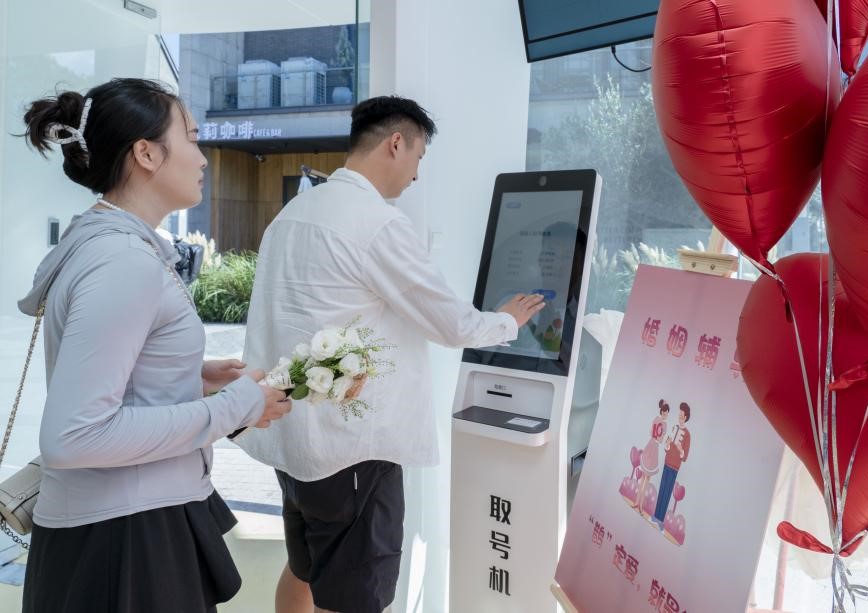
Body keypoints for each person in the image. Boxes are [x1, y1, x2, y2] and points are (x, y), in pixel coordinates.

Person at [237, 95, 545, 613]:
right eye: (419, 157)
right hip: (351, 450)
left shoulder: (293, 213)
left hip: (290, 438)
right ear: (396, 144)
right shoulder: (376, 223)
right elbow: (449, 321)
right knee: (354, 596)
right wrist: (506, 321)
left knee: (305, 569)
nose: (417, 174)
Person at [18, 78, 292, 613]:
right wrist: (236, 405)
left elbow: (117, 380)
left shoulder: (116, 249)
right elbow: (75, 436)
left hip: (123, 523)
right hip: (123, 538)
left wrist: (188, 374)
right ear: (146, 153)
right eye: (191, 137)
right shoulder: (122, 261)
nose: (203, 157)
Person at [653, 402, 692, 530]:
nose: (679, 417)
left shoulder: (687, 434)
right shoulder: (674, 427)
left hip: (674, 467)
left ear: (685, 417)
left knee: (667, 492)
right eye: (679, 415)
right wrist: (668, 444)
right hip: (667, 462)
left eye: (681, 415)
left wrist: (680, 450)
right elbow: (667, 448)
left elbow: (685, 457)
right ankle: (655, 516)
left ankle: (660, 520)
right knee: (662, 488)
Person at [635, 399, 669, 513]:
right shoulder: (664, 424)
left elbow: (651, 432)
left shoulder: (655, 419)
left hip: (650, 445)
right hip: (654, 447)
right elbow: (660, 439)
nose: (666, 415)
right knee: (647, 478)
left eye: (667, 413)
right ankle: (639, 504)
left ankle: (637, 502)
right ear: (663, 412)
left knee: (644, 477)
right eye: (665, 413)